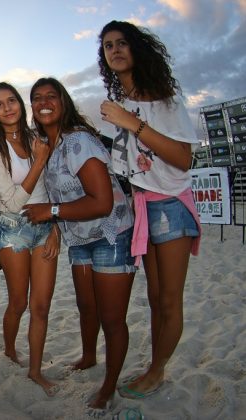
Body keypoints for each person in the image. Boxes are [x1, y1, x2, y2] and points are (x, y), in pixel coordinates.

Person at [98, 20, 201, 399]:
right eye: (108, 46)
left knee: (170, 300)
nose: (115, 50)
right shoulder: (120, 104)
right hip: (144, 207)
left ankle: (157, 371)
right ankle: (156, 366)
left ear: (137, 49)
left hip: (172, 206)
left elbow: (183, 159)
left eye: (122, 43)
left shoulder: (165, 99)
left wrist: (133, 124)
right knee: (156, 299)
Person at [23, 77, 136, 410]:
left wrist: (51, 213)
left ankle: (109, 387)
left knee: (112, 319)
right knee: (87, 308)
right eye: (37, 97)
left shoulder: (78, 141)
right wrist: (58, 224)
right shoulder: (50, 145)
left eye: (51, 96)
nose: (43, 101)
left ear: (63, 102)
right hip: (79, 239)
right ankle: (89, 357)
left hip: (110, 234)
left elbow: (101, 202)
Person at [0, 82, 60, 395]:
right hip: (12, 227)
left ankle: (35, 371)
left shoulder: (37, 138)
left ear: (20, 104)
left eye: (12, 100)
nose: (8, 107)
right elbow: (13, 201)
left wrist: (55, 226)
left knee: (41, 305)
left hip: (45, 226)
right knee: (19, 301)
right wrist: (39, 161)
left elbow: (53, 187)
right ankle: (11, 349)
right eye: (0, 104)